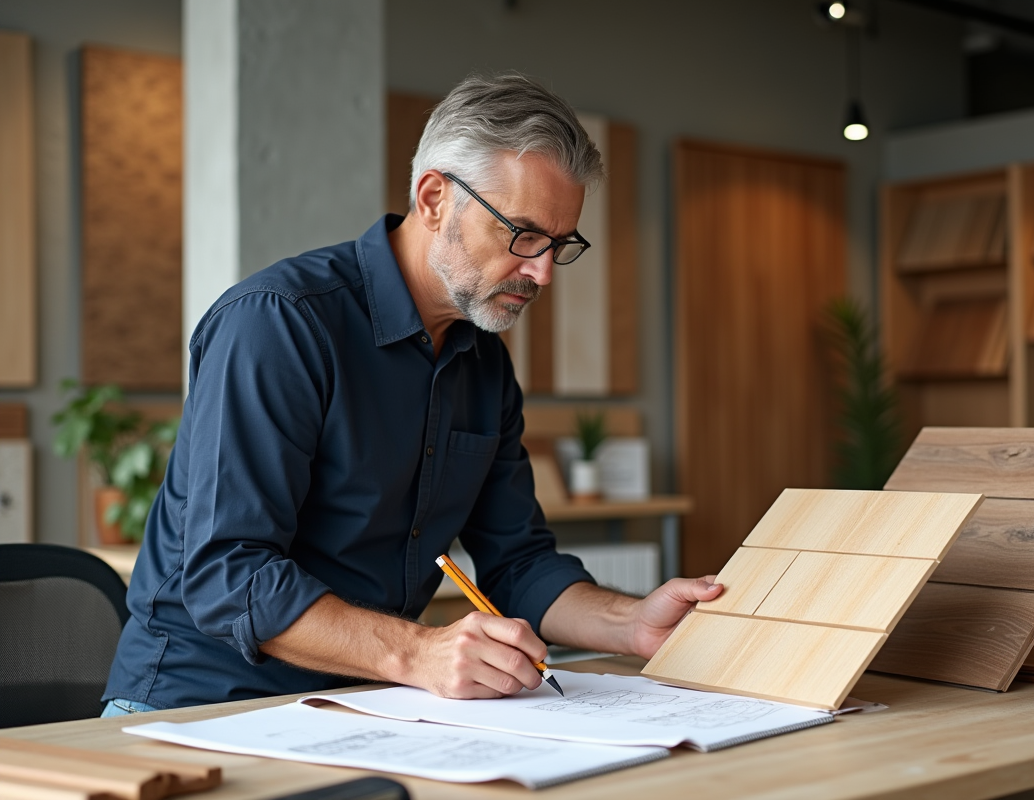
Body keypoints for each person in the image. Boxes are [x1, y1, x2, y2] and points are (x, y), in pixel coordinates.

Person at [102, 73, 722, 715]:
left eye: (558, 245)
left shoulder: (483, 362)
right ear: (433, 199)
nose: (540, 272)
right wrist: (417, 654)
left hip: (368, 705)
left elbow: (516, 562)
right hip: (197, 706)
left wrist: (631, 624)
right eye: (524, 235)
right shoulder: (278, 323)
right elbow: (227, 576)